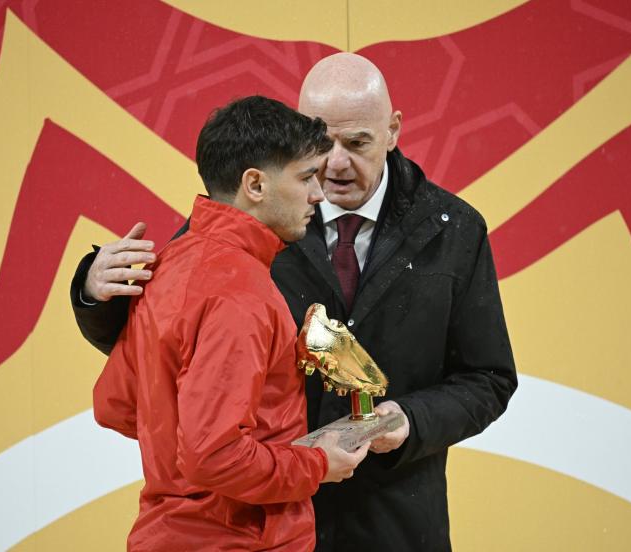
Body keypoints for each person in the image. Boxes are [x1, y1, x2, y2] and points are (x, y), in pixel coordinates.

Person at [74, 54, 518, 551]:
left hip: (392, 522)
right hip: (262, 519)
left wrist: (410, 420)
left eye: (357, 143)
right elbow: (163, 344)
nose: (335, 164)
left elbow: (489, 378)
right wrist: (93, 293)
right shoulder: (234, 240)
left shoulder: (455, 230)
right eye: (322, 143)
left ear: (392, 131)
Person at [92, 95, 370, 551]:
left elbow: (115, 405)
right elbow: (212, 456)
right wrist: (317, 463)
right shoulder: (241, 293)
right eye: (305, 177)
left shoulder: (171, 261)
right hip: (241, 540)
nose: (318, 195)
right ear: (255, 184)